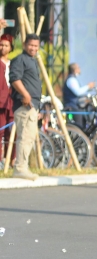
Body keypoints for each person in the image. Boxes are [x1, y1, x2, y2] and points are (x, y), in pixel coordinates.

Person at [9, 34, 41, 180]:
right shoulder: (19, 60)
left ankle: (23, 166)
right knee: (25, 137)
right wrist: (26, 94)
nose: (33, 48)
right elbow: (15, 78)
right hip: (24, 105)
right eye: (31, 45)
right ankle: (20, 168)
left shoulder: (33, 61)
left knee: (29, 138)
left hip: (32, 105)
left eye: (36, 45)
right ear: (24, 45)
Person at [63, 63, 96, 128]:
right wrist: (88, 86)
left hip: (75, 106)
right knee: (78, 127)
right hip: (72, 107)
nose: (79, 69)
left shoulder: (73, 79)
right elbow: (78, 92)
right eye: (78, 67)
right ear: (74, 69)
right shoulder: (71, 80)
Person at [0, 33, 13, 164]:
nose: (3, 48)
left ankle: (11, 159)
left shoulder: (13, 63)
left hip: (12, 101)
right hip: (1, 102)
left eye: (6, 45)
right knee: (0, 130)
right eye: (1, 44)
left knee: (13, 131)